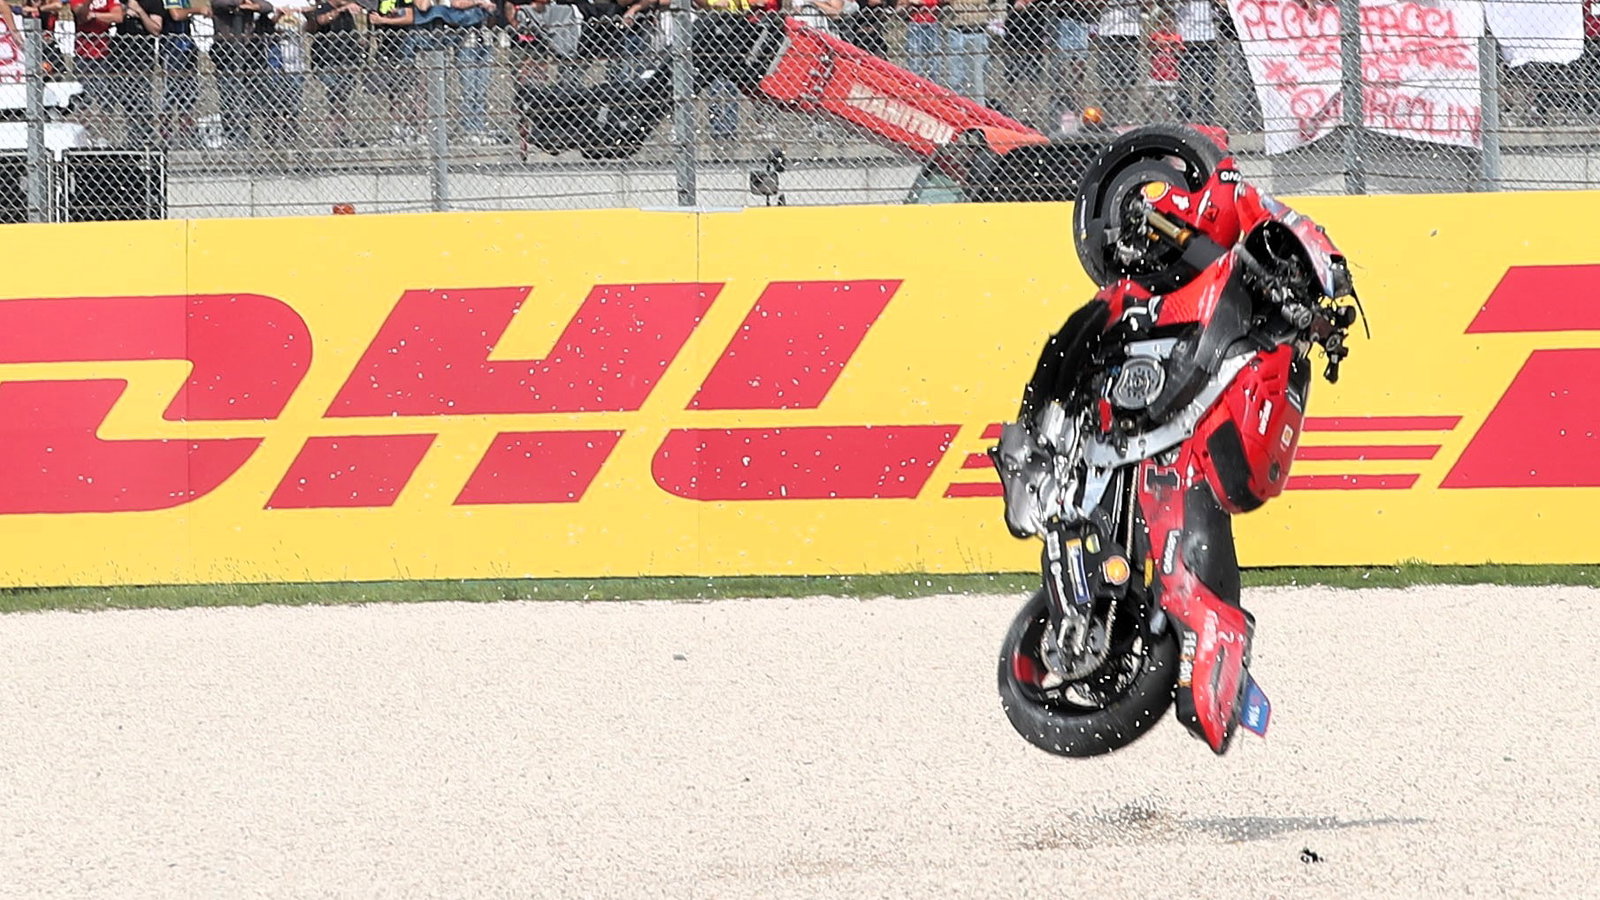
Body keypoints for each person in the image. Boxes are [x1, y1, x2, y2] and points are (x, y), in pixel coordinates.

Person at [304, 0, 363, 145]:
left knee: (342, 98)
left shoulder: (348, 12)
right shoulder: (323, 7)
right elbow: (321, 20)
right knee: (335, 94)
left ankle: (339, 134)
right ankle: (330, 134)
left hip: (348, 61)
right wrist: (341, 10)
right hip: (327, 62)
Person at [69, 0, 124, 145]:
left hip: (103, 53)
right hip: (83, 54)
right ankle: (84, 135)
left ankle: (103, 135)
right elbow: (82, 16)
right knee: (83, 100)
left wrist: (94, 14)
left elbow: (118, 16)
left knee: (105, 99)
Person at [897, 0, 939, 81]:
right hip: (915, 23)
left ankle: (933, 88)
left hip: (932, 23)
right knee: (915, 60)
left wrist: (922, 2)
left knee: (934, 61)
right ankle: (916, 85)